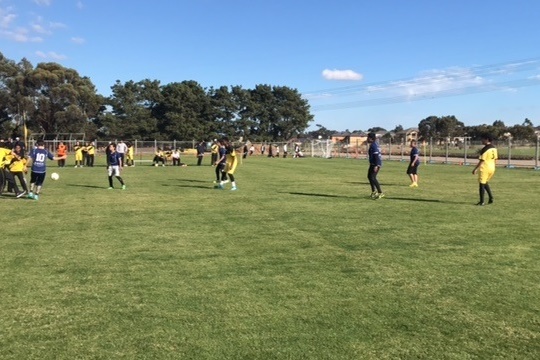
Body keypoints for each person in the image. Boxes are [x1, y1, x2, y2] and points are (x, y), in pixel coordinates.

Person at [472, 135, 498, 206]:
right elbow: (496, 159)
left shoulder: (485, 149)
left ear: (487, 139)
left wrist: (475, 169)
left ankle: (482, 202)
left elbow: (482, 160)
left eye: (482, 139)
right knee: (485, 183)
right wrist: (494, 167)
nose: (481, 141)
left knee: (481, 185)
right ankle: (491, 197)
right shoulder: (494, 148)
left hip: (485, 168)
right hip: (492, 168)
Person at [367, 132, 384, 199]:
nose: (367, 139)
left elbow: (376, 156)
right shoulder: (374, 144)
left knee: (373, 177)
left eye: (368, 137)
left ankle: (380, 192)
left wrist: (376, 165)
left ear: (371, 138)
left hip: (375, 164)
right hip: (373, 163)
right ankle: (374, 191)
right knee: (369, 176)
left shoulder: (374, 145)